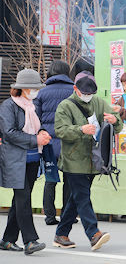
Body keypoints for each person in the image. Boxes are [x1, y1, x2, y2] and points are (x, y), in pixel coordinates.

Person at [52, 71, 122, 251]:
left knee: (76, 199)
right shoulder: (65, 106)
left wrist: (115, 120)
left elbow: (118, 124)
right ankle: (93, 233)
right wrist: (80, 129)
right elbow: (60, 130)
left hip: (94, 159)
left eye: (91, 93)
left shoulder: (98, 102)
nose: (88, 97)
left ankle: (61, 234)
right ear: (76, 89)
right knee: (82, 197)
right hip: (73, 160)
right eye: (85, 93)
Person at [0, 68, 51, 255]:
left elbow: (35, 127)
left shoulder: (32, 106)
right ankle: (30, 241)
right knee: (23, 199)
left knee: (19, 200)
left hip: (32, 160)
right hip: (15, 160)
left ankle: (7, 240)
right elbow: (9, 133)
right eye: (33, 88)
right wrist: (34, 140)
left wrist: (42, 133)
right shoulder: (8, 106)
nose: (35, 91)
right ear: (22, 88)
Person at [34, 60, 74, 226]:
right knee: (69, 181)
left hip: (49, 143)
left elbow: (35, 118)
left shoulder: (42, 92)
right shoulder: (74, 91)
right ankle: (67, 215)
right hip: (69, 143)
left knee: (50, 180)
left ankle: (50, 216)